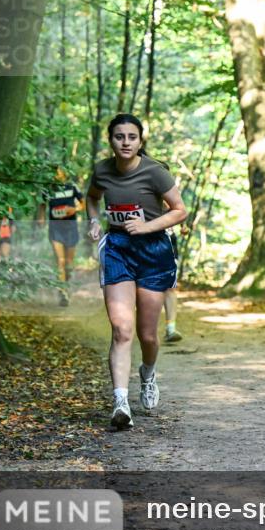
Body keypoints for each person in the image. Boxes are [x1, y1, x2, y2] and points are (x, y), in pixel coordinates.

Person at [86, 114, 187, 429]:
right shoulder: (102, 170)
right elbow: (92, 198)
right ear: (111, 140)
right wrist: (93, 220)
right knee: (121, 329)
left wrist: (146, 226)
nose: (125, 142)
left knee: (147, 334)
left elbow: (180, 211)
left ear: (140, 140)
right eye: (119, 136)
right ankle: (120, 404)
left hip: (153, 251)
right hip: (118, 249)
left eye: (132, 136)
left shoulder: (155, 172)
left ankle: (148, 372)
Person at [37, 166, 84, 306]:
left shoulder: (72, 186)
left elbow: (83, 204)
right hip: (55, 228)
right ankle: (62, 292)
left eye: (57, 172)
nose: (54, 175)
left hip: (71, 228)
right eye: (52, 173)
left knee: (68, 264)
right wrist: (41, 217)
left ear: (64, 173)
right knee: (60, 261)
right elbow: (42, 204)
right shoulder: (48, 189)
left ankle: (67, 287)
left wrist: (74, 209)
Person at [162, 224, 188, 342]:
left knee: (169, 287)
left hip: (169, 244)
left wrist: (184, 225)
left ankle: (171, 329)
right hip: (143, 242)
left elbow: (179, 213)